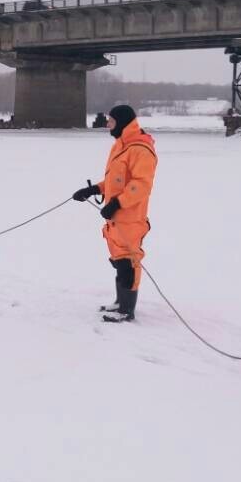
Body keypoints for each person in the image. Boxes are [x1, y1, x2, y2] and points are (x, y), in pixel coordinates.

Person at [71, 104, 158, 323]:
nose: (108, 124)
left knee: (129, 261)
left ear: (122, 122)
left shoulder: (140, 149)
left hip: (130, 216)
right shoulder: (121, 145)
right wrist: (93, 190)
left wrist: (118, 203)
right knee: (119, 259)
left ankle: (127, 310)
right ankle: (120, 302)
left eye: (111, 121)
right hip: (116, 217)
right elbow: (116, 181)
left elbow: (141, 184)